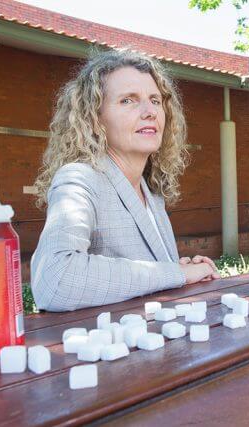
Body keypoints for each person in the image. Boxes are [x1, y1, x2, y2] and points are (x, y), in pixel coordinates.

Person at [31, 49, 219, 311]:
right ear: (95, 119)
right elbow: (55, 280)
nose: (149, 111)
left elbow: (149, 276)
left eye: (155, 100)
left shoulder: (151, 192)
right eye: (128, 100)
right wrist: (177, 274)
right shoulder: (79, 178)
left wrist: (178, 269)